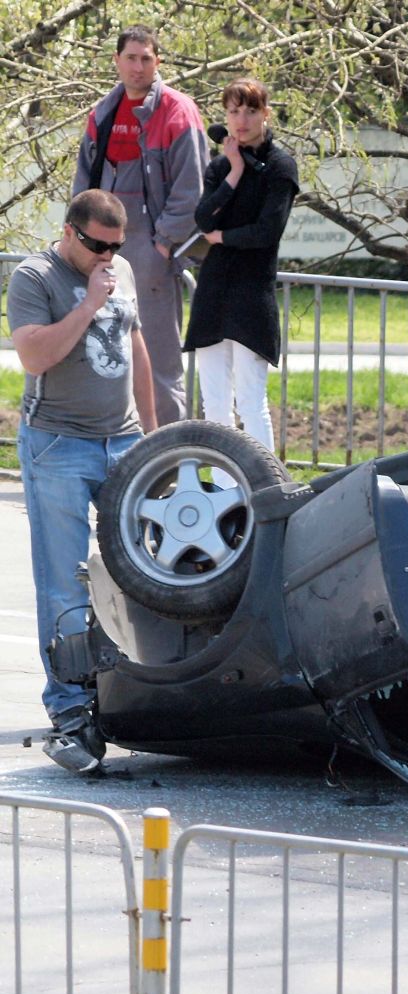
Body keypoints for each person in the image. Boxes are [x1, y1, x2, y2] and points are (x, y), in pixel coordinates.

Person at [7, 189, 157, 773]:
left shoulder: (117, 268)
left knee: (143, 571)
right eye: (98, 245)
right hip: (58, 445)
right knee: (65, 581)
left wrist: (153, 437)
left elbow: (137, 350)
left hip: (122, 440)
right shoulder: (34, 277)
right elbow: (34, 358)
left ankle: (134, 694)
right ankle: (69, 710)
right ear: (70, 232)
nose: (108, 257)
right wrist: (88, 306)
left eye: (117, 247)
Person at [73, 24, 208, 428]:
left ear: (158, 62)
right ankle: (121, 454)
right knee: (104, 358)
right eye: (130, 58)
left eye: (146, 58)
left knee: (159, 364)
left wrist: (162, 245)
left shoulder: (178, 111)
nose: (137, 67)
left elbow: (191, 190)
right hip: (103, 256)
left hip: (151, 257)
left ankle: (167, 461)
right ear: (116, 61)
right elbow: (84, 188)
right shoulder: (102, 113)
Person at [182, 78, 299, 451]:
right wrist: (233, 171)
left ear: (265, 113)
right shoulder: (219, 166)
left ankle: (264, 486)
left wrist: (225, 238)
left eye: (250, 111)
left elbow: (267, 231)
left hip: (251, 292)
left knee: (251, 402)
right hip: (214, 289)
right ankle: (223, 487)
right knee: (214, 403)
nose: (241, 120)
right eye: (234, 111)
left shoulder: (280, 166)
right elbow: (204, 219)